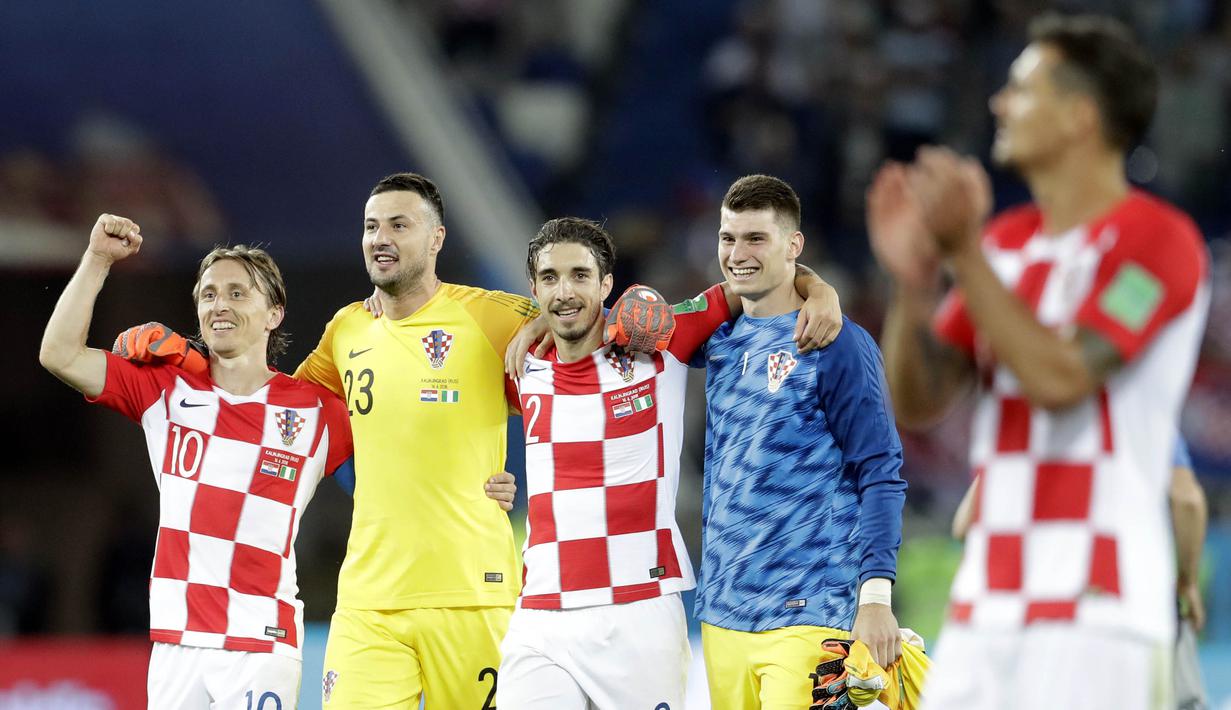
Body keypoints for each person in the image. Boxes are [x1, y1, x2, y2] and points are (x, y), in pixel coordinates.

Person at [868, 14, 1209, 709]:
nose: (998, 103)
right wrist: (914, 283)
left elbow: (1061, 379)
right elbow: (920, 400)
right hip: (983, 600)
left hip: (1099, 605)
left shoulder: (1156, 240)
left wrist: (961, 253)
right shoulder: (1003, 243)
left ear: (1080, 117)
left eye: (1021, 89)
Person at [117, 172, 525, 707]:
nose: (381, 238)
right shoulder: (348, 328)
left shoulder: (492, 315)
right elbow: (272, 402)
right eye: (371, 226)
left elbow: (572, 375)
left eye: (399, 225)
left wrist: (529, 477)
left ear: (436, 238)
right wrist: (194, 361)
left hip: (473, 591)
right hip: (367, 600)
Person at [500, 216, 843, 708]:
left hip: (639, 611)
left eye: (580, 275)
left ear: (606, 283)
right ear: (533, 287)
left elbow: (753, 278)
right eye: (550, 278)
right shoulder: (521, 363)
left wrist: (821, 290)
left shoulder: (658, 339)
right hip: (542, 615)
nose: (565, 291)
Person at [39, 215, 354, 707]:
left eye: (236, 292)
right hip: (176, 641)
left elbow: (390, 472)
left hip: (262, 641)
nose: (218, 304)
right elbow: (58, 353)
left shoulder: (318, 410)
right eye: (208, 294)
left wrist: (487, 482)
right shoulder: (164, 390)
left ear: (274, 313)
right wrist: (98, 259)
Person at [694, 174, 909, 709]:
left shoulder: (836, 344)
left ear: (794, 246)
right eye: (728, 238)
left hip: (810, 613)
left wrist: (876, 597)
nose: (737, 254)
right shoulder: (716, 341)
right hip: (722, 616)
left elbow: (880, 471)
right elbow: (605, 327)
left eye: (755, 239)